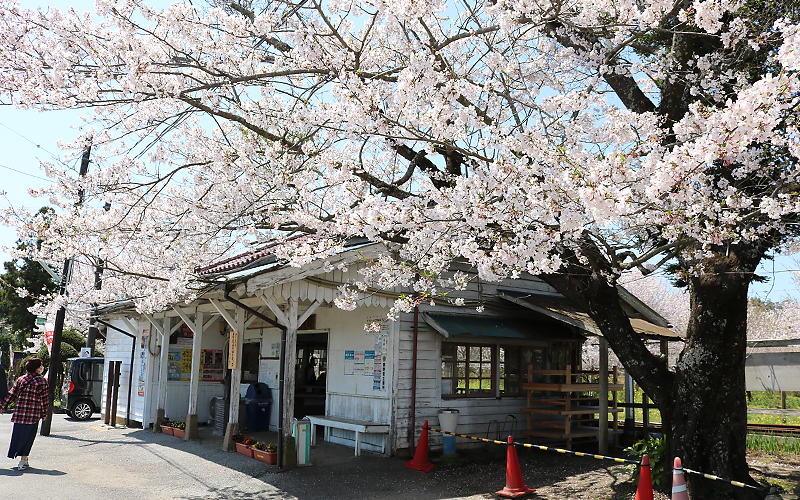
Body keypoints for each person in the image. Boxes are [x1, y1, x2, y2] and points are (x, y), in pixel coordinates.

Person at [0, 357, 49, 471]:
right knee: (28, 437)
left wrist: (2, 406)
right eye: (40, 365)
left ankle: (22, 458)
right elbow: (44, 400)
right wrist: (44, 413)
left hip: (19, 414)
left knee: (18, 436)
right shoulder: (41, 381)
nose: (42, 367)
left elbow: (12, 395)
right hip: (33, 415)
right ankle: (22, 461)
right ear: (37, 368)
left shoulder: (21, 379)